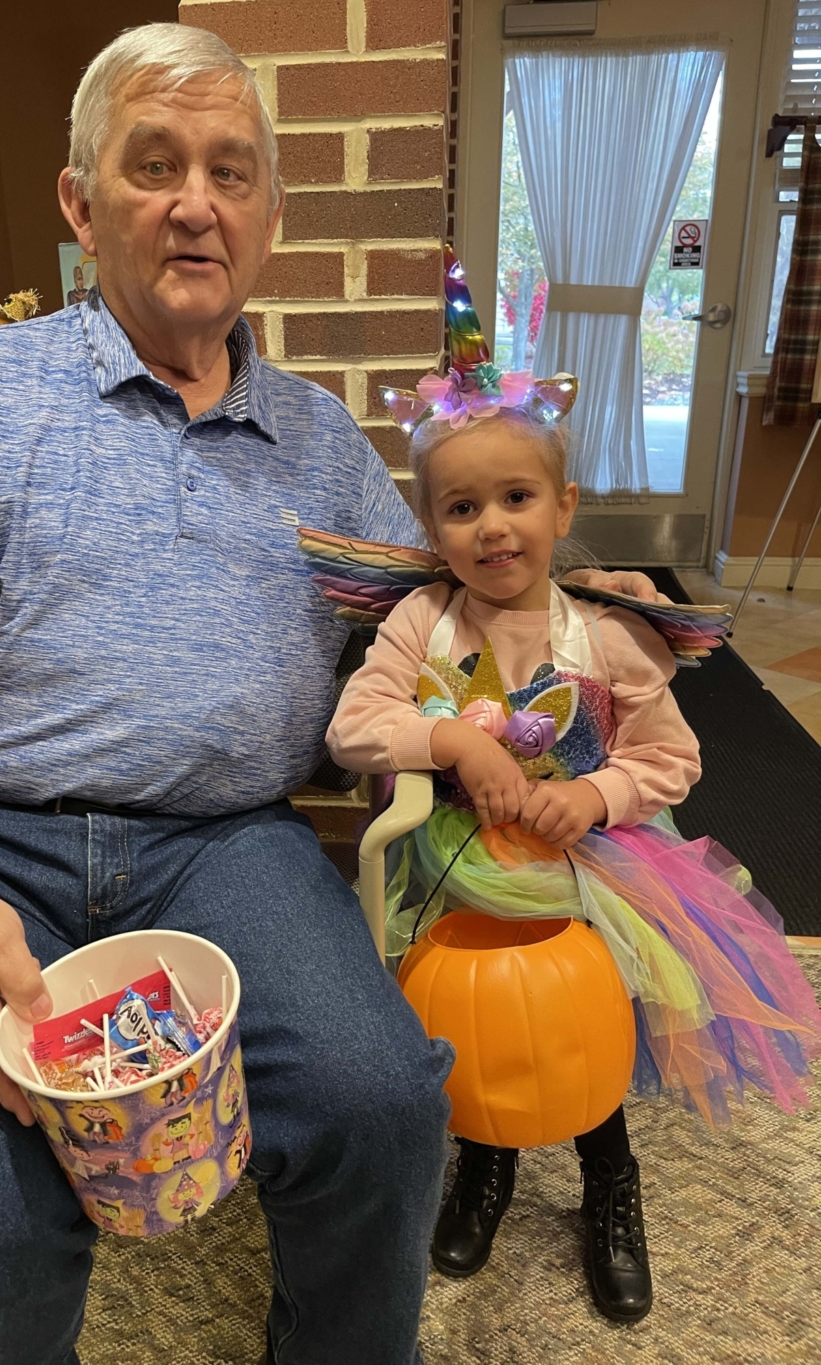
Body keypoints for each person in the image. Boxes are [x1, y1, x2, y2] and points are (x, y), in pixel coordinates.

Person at [0, 25, 659, 1365]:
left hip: (229, 849)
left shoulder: (324, 443)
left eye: (231, 171)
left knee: (383, 1104)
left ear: (272, 215)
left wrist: (574, 605)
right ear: (80, 202)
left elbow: (448, 612)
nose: (196, 203)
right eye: (154, 165)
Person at [325, 253, 821, 1326]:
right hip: (457, 870)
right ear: (432, 528)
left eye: (516, 497)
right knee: (474, 1030)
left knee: (583, 1029)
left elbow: (672, 759)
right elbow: (354, 728)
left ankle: (609, 1174)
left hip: (595, 872)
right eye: (462, 507)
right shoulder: (422, 625)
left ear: (563, 505)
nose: (492, 527)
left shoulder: (603, 633)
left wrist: (595, 799)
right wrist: (449, 741)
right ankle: (486, 1161)